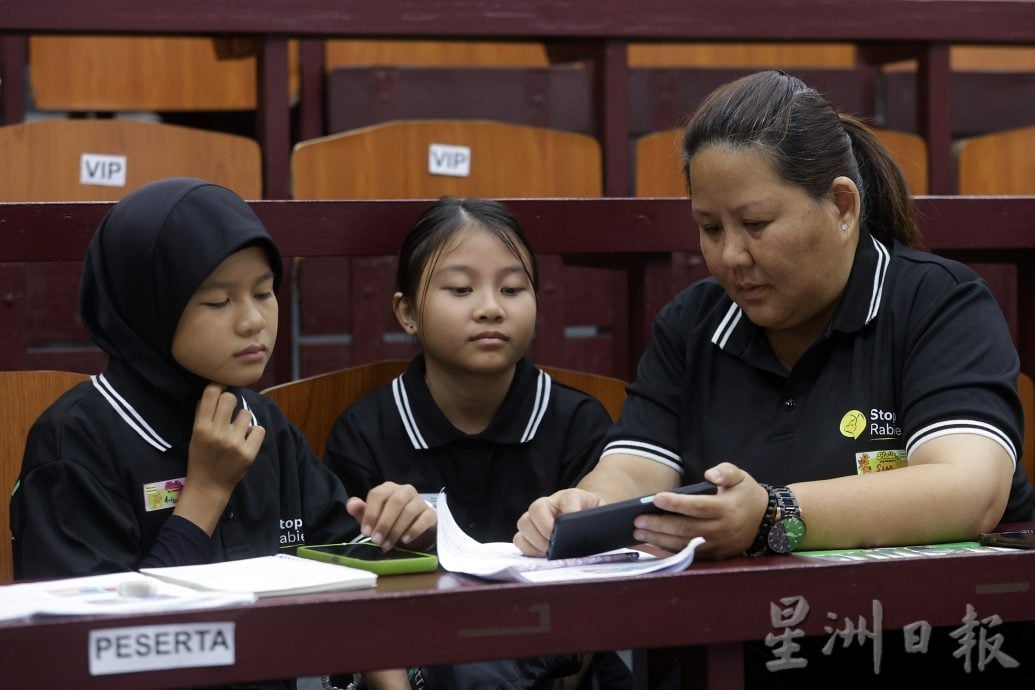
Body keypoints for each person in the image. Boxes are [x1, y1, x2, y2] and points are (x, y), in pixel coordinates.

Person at [514, 71, 1035, 687]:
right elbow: (636, 469)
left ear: (842, 206)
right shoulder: (694, 324)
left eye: (756, 225)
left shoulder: (936, 304)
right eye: (711, 229)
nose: (731, 255)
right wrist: (579, 509)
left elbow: (970, 487)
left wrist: (772, 515)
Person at [9, 177, 363, 690]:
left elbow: (345, 568)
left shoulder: (264, 421)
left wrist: (394, 536)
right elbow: (95, 650)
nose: (252, 322)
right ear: (145, 307)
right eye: (218, 301)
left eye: (264, 292)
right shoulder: (75, 443)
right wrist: (205, 494)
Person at [324, 197, 624, 689]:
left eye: (512, 288)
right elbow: (352, 604)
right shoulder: (366, 431)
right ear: (407, 312)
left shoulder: (576, 421)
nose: (490, 308)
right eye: (461, 289)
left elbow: (597, 599)